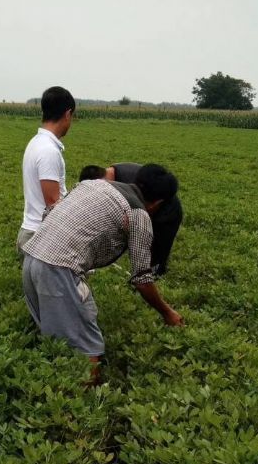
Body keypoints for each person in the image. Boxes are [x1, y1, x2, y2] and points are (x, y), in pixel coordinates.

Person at [22, 164, 183, 383]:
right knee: (87, 346)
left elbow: (51, 211)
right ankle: (85, 399)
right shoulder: (138, 214)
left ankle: (53, 392)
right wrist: (167, 312)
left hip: (32, 258)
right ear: (158, 203)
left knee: (56, 342)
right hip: (58, 271)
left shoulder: (93, 185)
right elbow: (142, 279)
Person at [79, 162, 183, 276]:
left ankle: (154, 274)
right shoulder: (112, 176)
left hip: (166, 212)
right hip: (149, 204)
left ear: (101, 181)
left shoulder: (126, 181)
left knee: (156, 253)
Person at [17, 86, 75, 254]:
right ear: (67, 114)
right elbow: (52, 204)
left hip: (34, 232)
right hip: (42, 237)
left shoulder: (36, 142)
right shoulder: (48, 150)